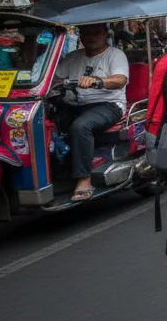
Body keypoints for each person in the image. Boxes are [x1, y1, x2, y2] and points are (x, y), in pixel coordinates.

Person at [53, 22, 129, 200]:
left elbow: (120, 79)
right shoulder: (73, 57)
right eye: (86, 33)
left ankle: (84, 179)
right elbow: (56, 78)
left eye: (96, 33)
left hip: (108, 105)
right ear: (80, 36)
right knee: (46, 121)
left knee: (81, 126)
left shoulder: (115, 55)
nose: (91, 37)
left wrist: (98, 81)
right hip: (74, 104)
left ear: (106, 34)